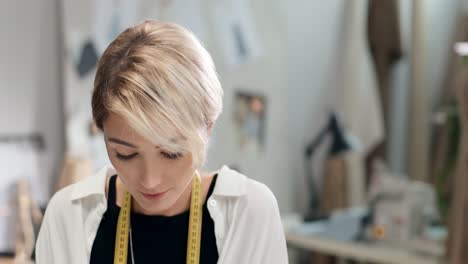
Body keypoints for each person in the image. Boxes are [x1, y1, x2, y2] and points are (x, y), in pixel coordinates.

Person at [35, 20, 288, 263]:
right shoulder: (68, 217)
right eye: (125, 153)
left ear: (208, 128)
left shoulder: (249, 213)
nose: (150, 180)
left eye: (172, 152)